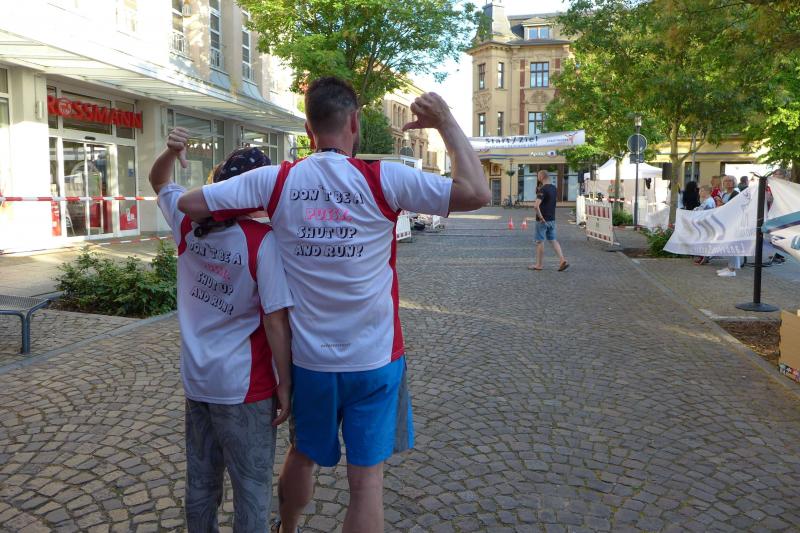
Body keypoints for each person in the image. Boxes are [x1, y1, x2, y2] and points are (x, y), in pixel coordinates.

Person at [176, 77, 490, 533]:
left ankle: (286, 528)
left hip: (310, 362)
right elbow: (477, 192)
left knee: (301, 455)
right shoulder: (384, 178)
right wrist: (444, 122)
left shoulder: (277, 179)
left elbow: (189, 204)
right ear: (355, 122)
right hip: (375, 358)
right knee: (367, 485)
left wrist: (246, 213)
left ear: (309, 129)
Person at [150, 129, 294, 532]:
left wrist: (170, 152)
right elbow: (275, 320)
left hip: (198, 381)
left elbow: (159, 182)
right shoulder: (262, 241)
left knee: (201, 482)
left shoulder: (187, 223)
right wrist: (285, 383)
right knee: (251, 489)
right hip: (246, 386)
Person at [529, 170, 568, 271]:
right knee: (553, 240)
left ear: (541, 177)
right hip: (552, 219)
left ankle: (539, 265)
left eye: (538, 176)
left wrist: (541, 218)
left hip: (542, 220)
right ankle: (562, 260)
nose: (537, 178)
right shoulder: (554, 188)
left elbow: (536, 206)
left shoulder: (543, 189)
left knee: (540, 241)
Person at [717, 176, 742, 277]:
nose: (727, 183)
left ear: (734, 182)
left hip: (733, 222)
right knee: (728, 245)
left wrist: (721, 203)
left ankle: (732, 270)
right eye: (725, 181)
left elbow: (733, 207)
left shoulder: (736, 194)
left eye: (730, 181)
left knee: (733, 245)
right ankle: (729, 266)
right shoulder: (724, 194)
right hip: (725, 222)